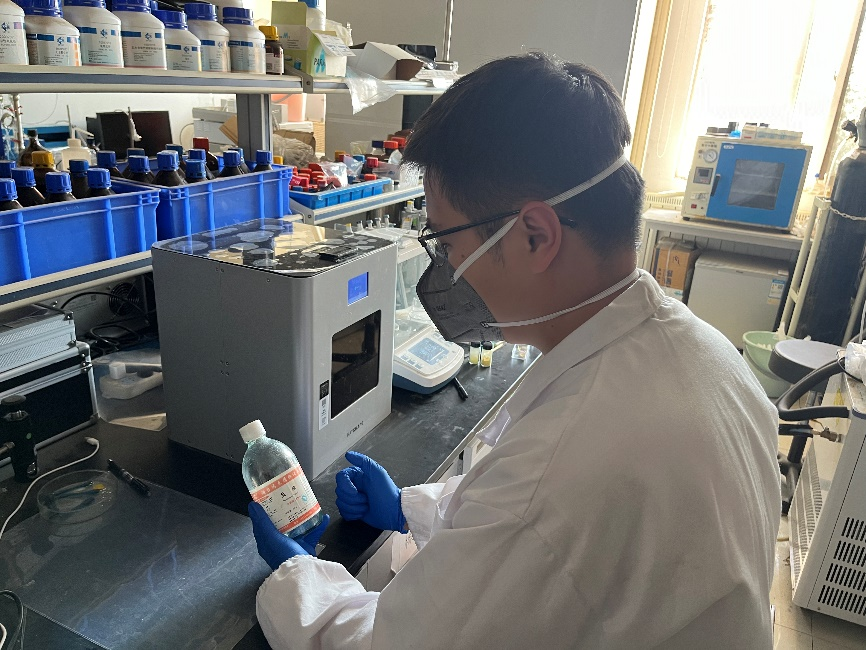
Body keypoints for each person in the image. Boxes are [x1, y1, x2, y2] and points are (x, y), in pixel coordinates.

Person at [248, 52, 781, 649]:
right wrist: (408, 509)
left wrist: (299, 578)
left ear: (535, 236)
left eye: (446, 239)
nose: (445, 266)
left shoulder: (561, 470)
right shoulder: (707, 355)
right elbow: (528, 529)